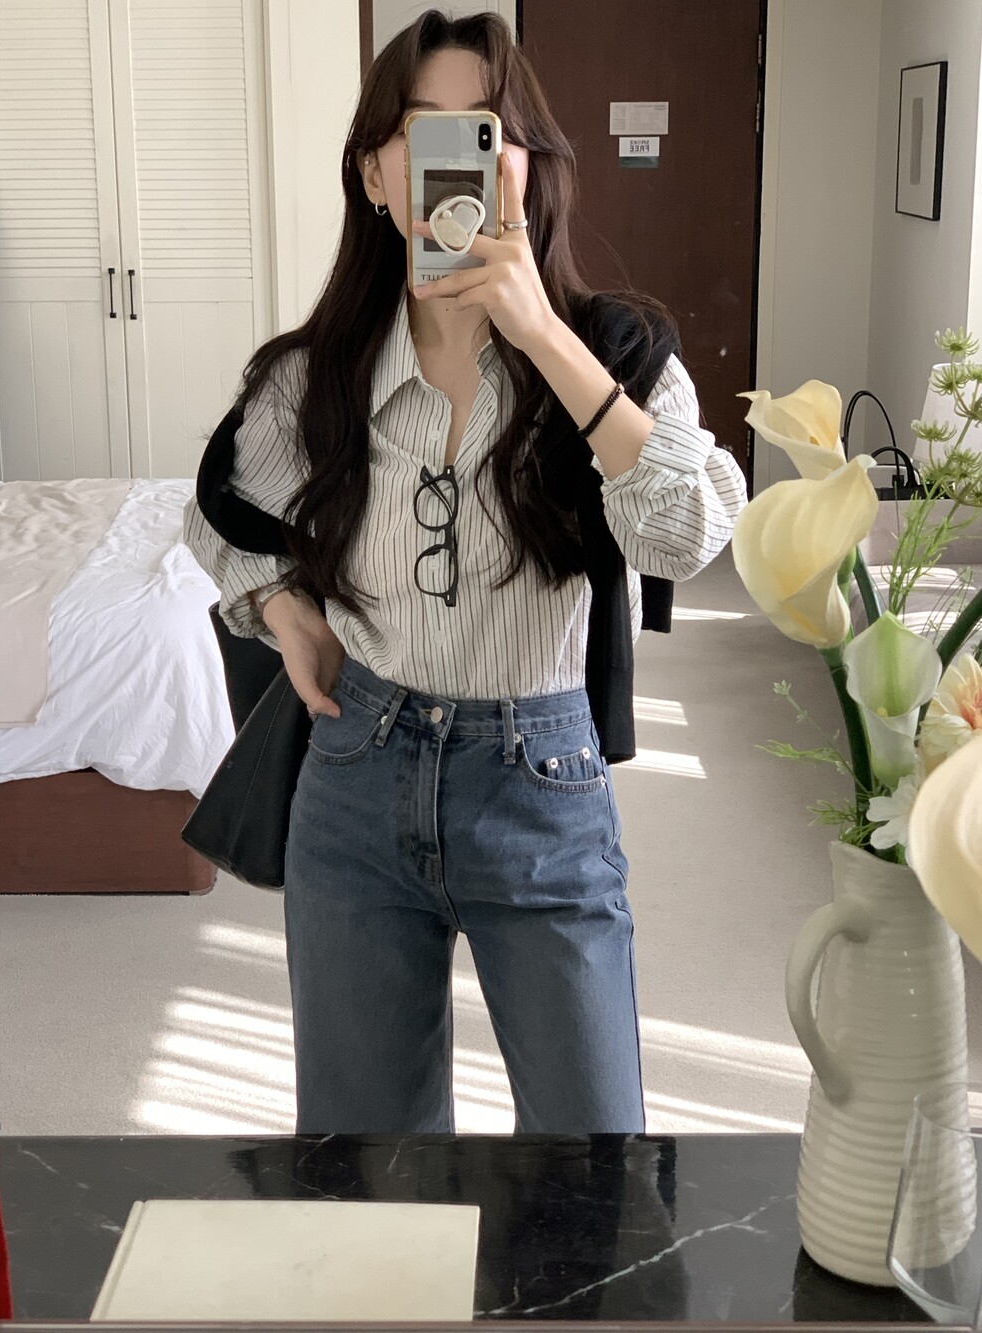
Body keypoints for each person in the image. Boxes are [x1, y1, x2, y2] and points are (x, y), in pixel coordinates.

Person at [184, 9, 747, 1136]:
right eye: (422, 130)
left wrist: (542, 336)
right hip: (355, 771)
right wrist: (282, 607)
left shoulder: (619, 353)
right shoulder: (314, 377)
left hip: (541, 782)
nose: (456, 158)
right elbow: (212, 509)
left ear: (527, 167)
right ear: (375, 175)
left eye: (487, 130)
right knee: (364, 1169)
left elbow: (686, 536)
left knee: (595, 1167)